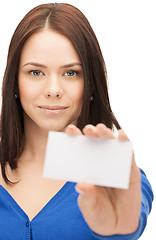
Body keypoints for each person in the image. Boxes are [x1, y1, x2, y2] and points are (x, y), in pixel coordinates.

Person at [0, 3, 153, 240]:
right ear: (14, 81)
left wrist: (119, 229)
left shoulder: (116, 173)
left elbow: (130, 214)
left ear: (91, 84)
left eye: (71, 73)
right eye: (35, 72)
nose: (53, 90)